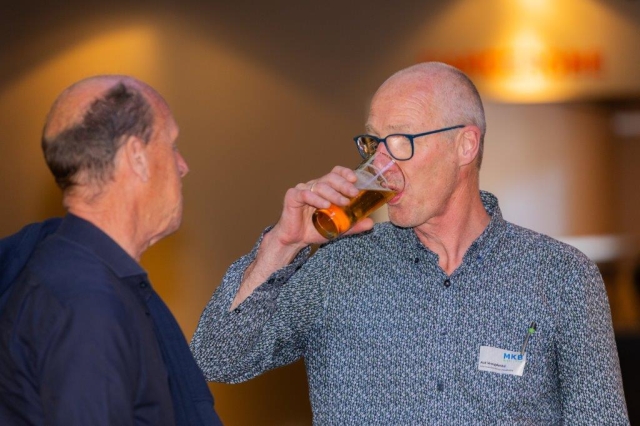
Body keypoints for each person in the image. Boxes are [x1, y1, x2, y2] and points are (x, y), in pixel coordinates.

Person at [190, 62, 629, 424]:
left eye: (401, 141)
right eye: (374, 142)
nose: (381, 163)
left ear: (465, 146)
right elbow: (216, 359)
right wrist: (281, 245)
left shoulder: (561, 275)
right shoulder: (338, 266)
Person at [0, 76, 223, 426]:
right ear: (137, 157)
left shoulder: (84, 276)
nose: (183, 165)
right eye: (172, 145)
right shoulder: (87, 304)